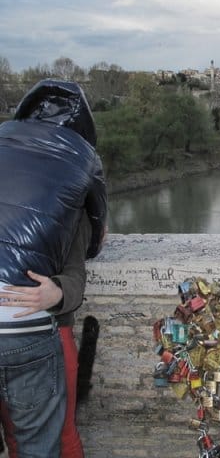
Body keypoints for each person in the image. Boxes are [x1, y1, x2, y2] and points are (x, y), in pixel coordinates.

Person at [0, 79, 107, 457]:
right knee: (34, 440)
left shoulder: (70, 210)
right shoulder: (78, 168)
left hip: (44, 330)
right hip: (31, 335)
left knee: (54, 436)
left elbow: (76, 274)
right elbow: (96, 242)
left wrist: (57, 291)